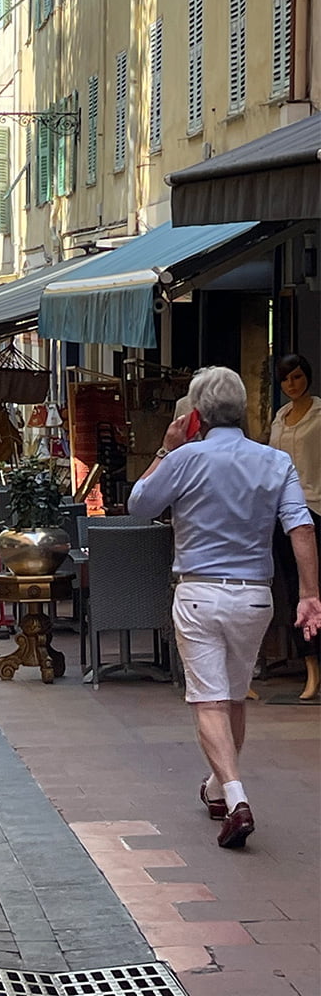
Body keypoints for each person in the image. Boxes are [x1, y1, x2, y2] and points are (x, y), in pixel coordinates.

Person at [128, 366, 321, 849]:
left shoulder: (185, 458)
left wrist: (165, 449)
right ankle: (216, 786)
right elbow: (301, 526)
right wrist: (309, 593)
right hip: (255, 595)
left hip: (199, 592)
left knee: (209, 700)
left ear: (196, 415)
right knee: (233, 697)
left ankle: (235, 798)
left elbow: (138, 505)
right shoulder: (275, 462)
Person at [268, 354, 321, 699]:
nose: (292, 384)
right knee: (293, 588)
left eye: (297, 377)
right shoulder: (279, 418)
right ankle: (310, 666)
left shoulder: (320, 414)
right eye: (286, 379)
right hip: (282, 512)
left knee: (316, 589)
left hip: (315, 507)